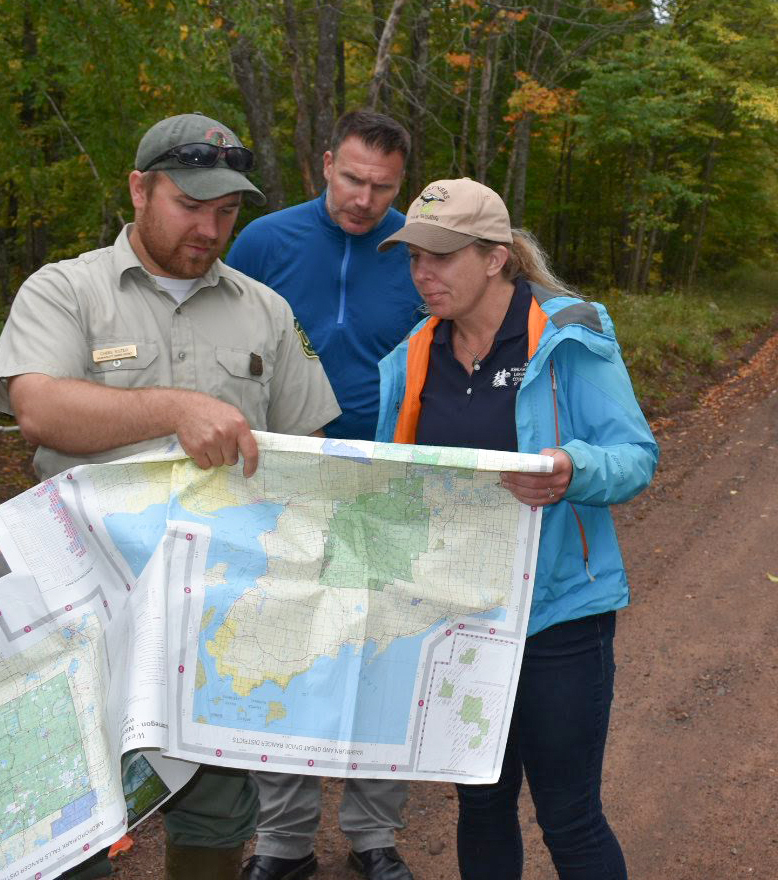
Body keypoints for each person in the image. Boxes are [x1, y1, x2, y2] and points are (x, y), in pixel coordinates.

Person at [0, 114, 340, 879]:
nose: (210, 227)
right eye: (191, 204)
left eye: (226, 211)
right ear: (138, 187)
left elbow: (309, 453)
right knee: (68, 826)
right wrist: (177, 409)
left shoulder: (267, 311)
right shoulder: (66, 290)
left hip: (211, 618)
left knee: (216, 821)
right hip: (75, 614)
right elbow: (40, 410)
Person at [373, 178, 657, 879]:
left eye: (441, 256)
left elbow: (636, 457)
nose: (423, 273)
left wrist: (571, 467)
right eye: (413, 257)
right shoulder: (413, 356)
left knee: (569, 816)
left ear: (495, 256)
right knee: (482, 807)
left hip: (559, 616)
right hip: (459, 617)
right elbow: (389, 489)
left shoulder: (568, 335)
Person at [227, 111, 424, 880]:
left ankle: (375, 833)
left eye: (381, 187)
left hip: (392, 485)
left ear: (399, 186)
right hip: (285, 479)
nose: (363, 200)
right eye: (351, 179)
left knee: (384, 655)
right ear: (324, 164)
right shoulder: (265, 241)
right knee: (286, 649)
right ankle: (283, 843)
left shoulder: (416, 248)